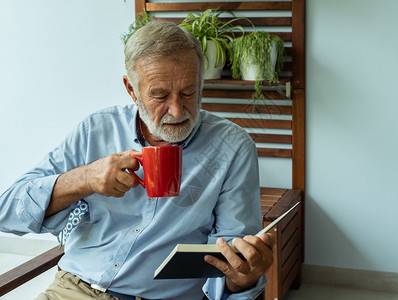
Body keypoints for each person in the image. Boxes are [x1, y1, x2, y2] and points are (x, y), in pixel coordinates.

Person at [0, 20, 273, 300]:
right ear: (131, 90)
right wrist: (85, 179)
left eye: (189, 92)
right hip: (74, 288)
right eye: (160, 95)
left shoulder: (233, 147)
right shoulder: (95, 130)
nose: (177, 109)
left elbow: (231, 257)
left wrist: (241, 279)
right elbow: (7, 211)